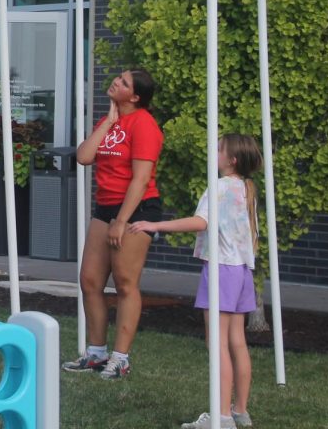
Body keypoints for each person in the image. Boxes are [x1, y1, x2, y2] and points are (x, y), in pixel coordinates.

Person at [130, 134, 261, 429]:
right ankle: (240, 411)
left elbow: (201, 221)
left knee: (217, 344)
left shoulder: (219, 186)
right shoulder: (246, 187)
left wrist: (155, 224)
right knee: (237, 343)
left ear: (232, 160)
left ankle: (222, 417)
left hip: (221, 270)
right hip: (241, 272)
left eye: (218, 149)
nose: (213, 153)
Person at [63, 68, 164, 380]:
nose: (115, 82)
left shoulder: (145, 124)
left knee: (124, 283)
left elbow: (141, 178)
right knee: (90, 280)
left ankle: (120, 358)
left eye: (123, 82)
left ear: (134, 96)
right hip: (105, 206)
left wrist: (122, 221)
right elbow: (83, 157)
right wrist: (108, 121)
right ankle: (96, 353)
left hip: (135, 208)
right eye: (118, 78)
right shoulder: (111, 121)